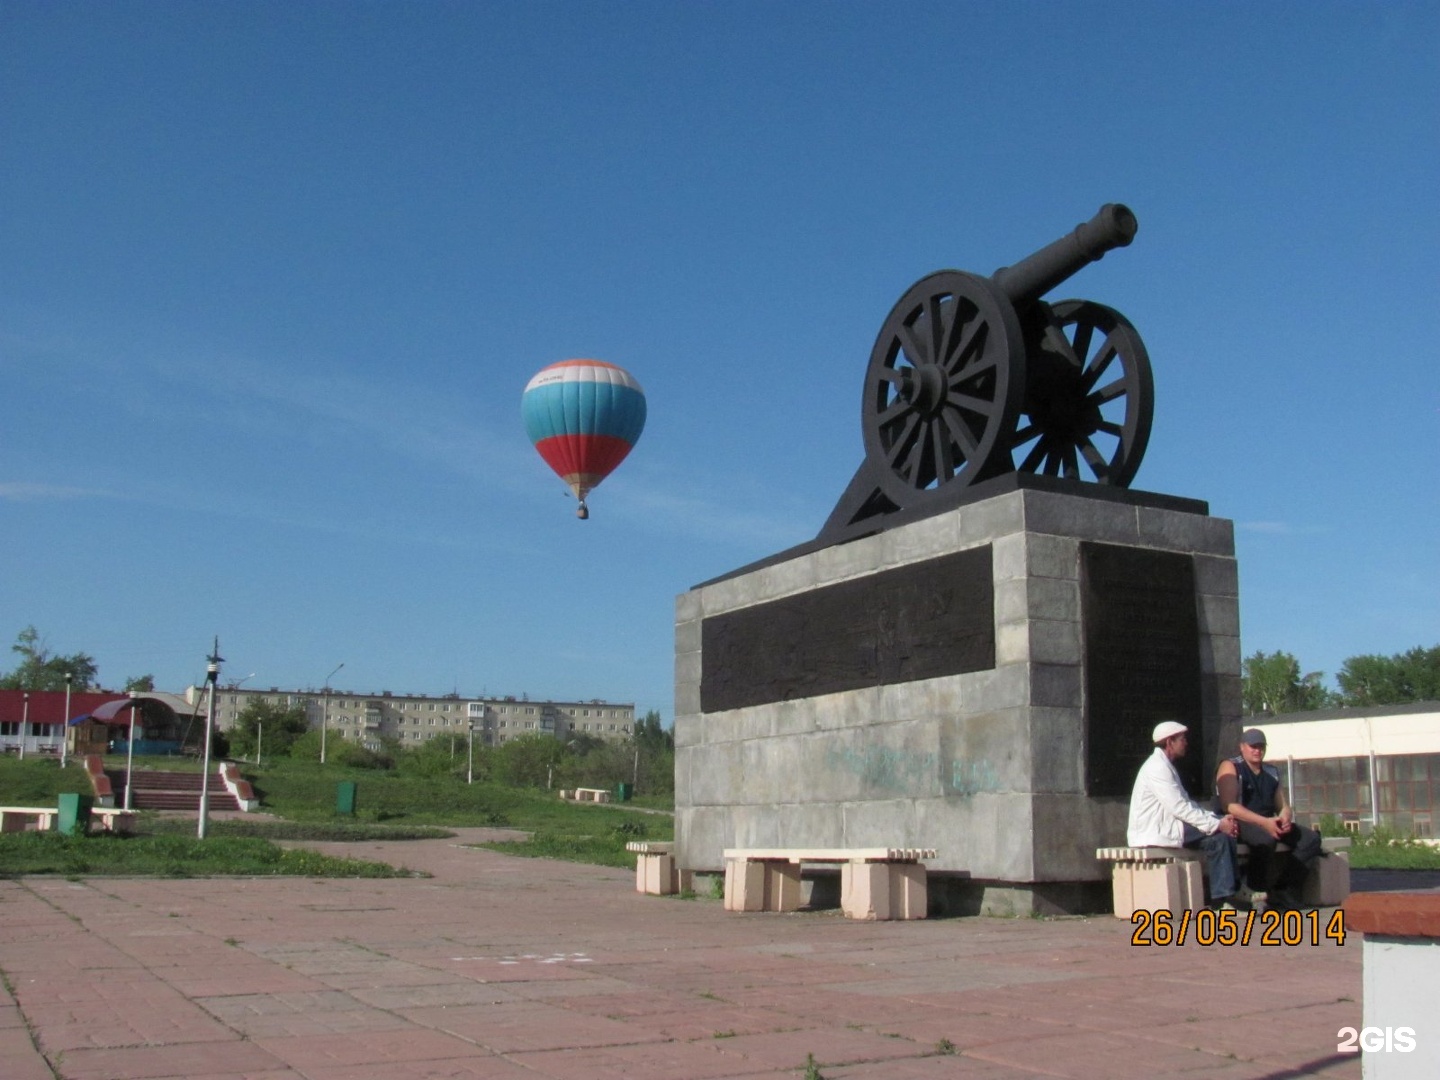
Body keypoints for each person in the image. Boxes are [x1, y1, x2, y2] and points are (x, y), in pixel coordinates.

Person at [1128, 720, 1244, 906]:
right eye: (1182, 739)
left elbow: (1187, 803)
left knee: (1221, 838)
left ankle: (1225, 898)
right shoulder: (1157, 768)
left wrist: (1218, 819)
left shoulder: (1165, 765)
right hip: (1156, 831)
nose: (1186, 743)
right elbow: (1179, 807)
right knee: (1221, 832)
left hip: (1172, 826)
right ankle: (1224, 899)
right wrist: (1218, 824)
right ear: (1169, 742)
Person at [1215, 728, 1323, 909]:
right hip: (1242, 820)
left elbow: (1282, 805)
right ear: (1242, 747)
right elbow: (1229, 806)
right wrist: (1264, 822)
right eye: (1253, 746)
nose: (1257, 751)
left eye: (1261, 747)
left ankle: (1283, 889)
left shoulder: (1271, 771)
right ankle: (1253, 890)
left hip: (1268, 821)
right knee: (1265, 840)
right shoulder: (1231, 766)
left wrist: (1285, 817)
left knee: (1310, 840)